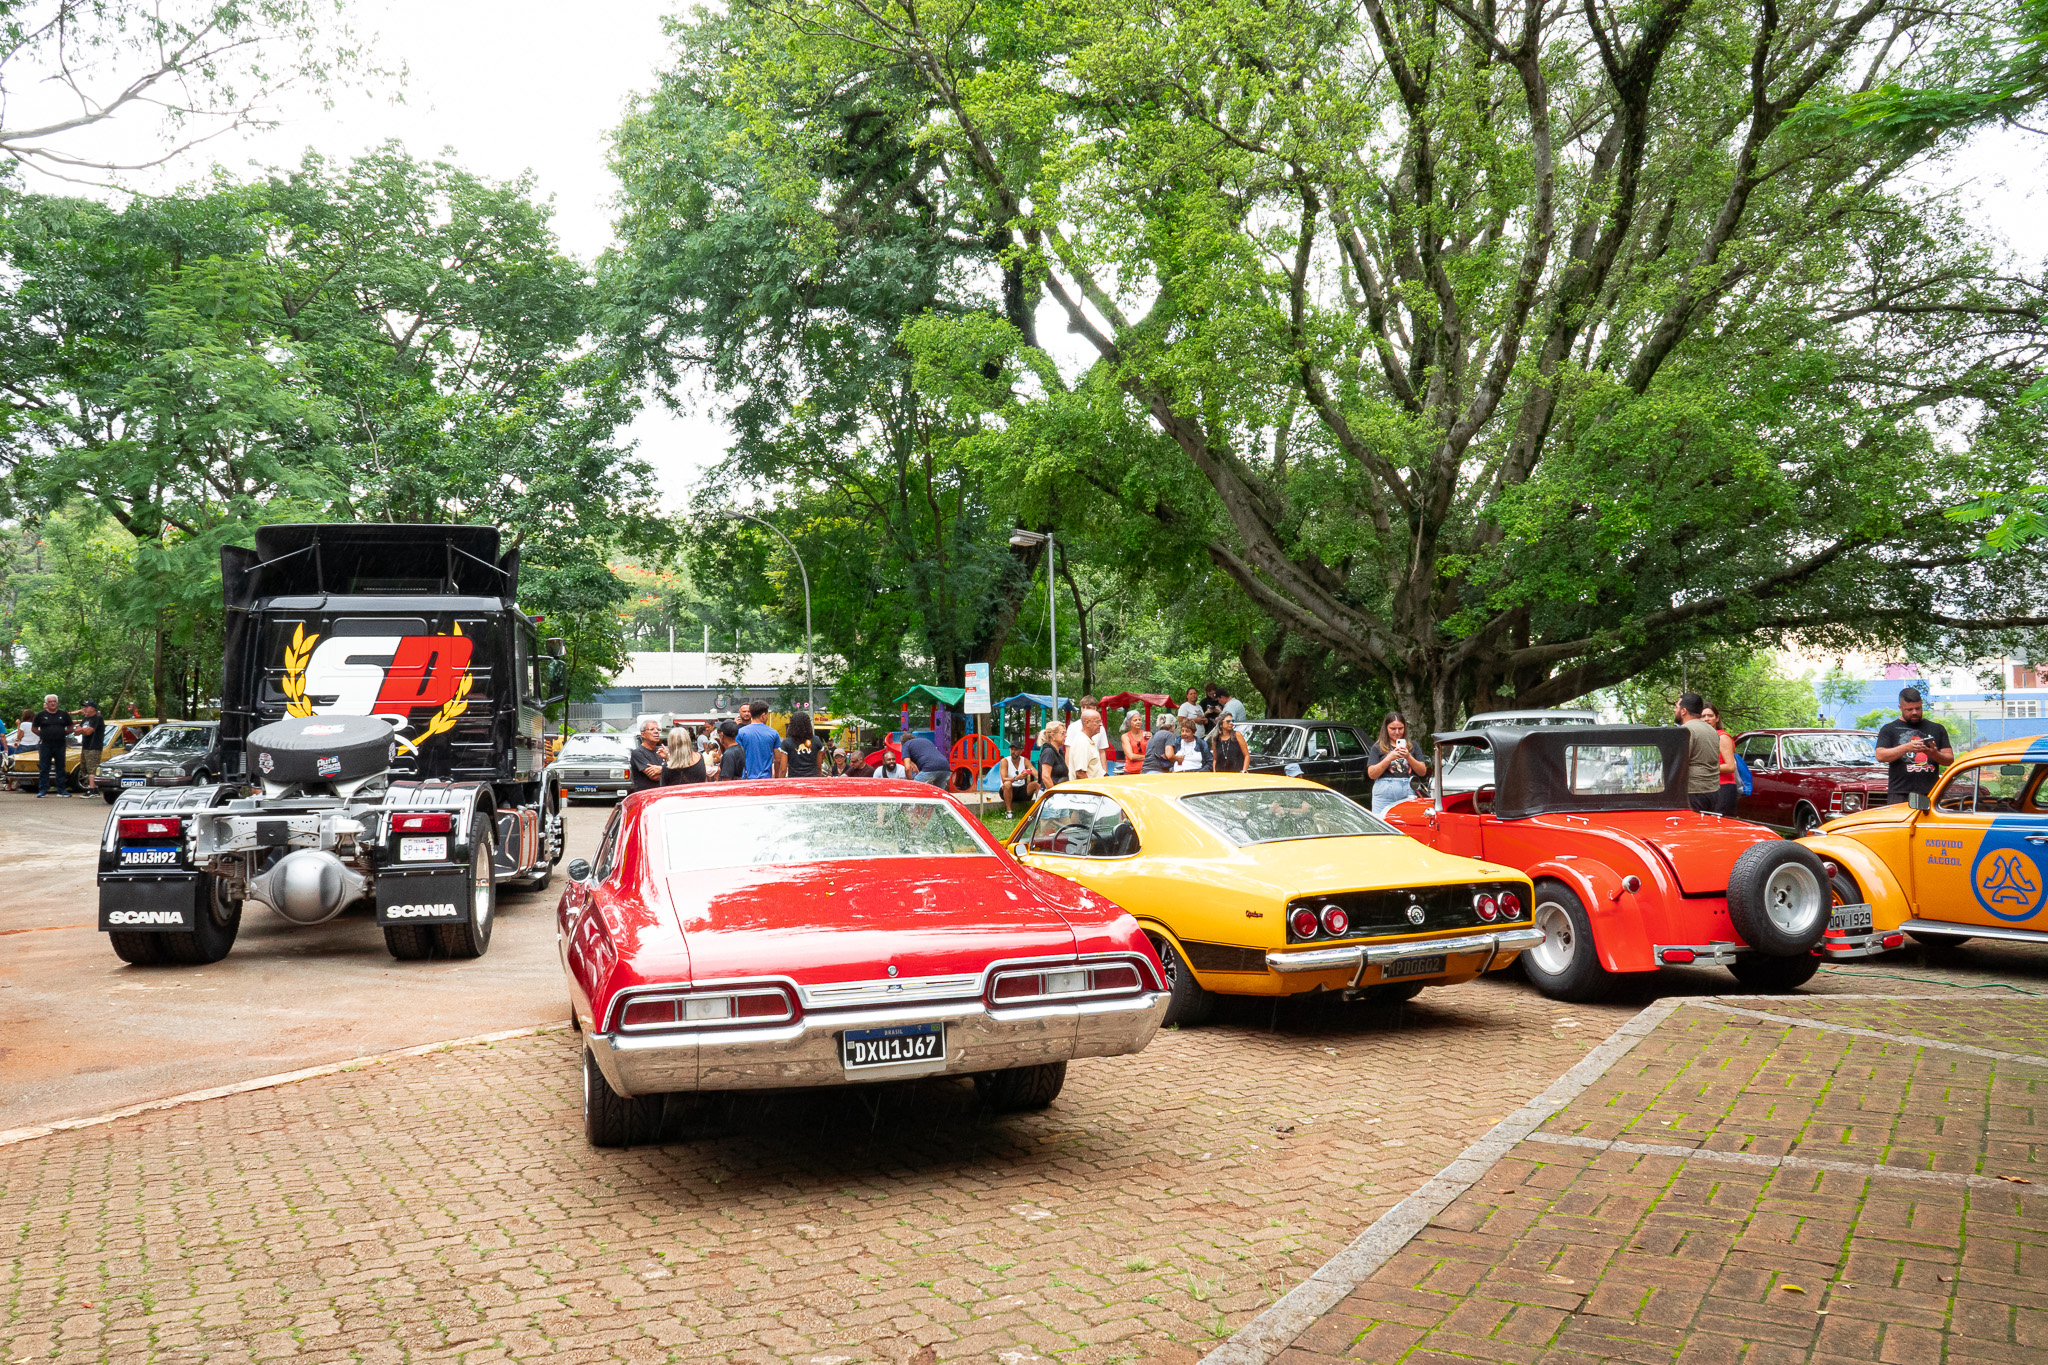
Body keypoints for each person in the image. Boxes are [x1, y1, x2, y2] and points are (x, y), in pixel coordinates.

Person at [1875, 687, 1953, 805]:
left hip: (1931, 792)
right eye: (1909, 709)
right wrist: (1906, 747)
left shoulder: (1937, 728)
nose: (1914, 712)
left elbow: (1949, 760)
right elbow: (1880, 756)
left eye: (1918, 708)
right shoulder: (1889, 729)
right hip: (1900, 792)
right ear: (1900, 708)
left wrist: (1934, 753)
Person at [1365, 712, 1431, 815]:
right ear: (1386, 728)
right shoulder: (1377, 747)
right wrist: (1389, 758)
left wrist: (1408, 757)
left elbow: (1422, 772)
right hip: (1384, 792)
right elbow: (1372, 774)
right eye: (1393, 729)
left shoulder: (1413, 746)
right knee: (1382, 824)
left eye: (1400, 728)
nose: (1397, 732)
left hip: (1408, 790)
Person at [1674, 692, 1724, 813]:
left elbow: (1679, 762)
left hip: (1693, 792)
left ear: (1683, 711)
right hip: (1713, 791)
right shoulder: (1712, 730)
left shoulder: (1686, 730)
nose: (1674, 710)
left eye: (1676, 707)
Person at [1700, 703, 1740, 816]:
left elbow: (1730, 766)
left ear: (1717, 718)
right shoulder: (1704, 737)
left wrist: (1704, 769)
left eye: (1710, 716)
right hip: (1708, 788)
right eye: (1703, 716)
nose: (1706, 719)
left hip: (1723, 788)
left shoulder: (1722, 737)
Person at [31, 695, 71, 798]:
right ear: (46, 703)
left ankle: (61, 790)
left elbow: (70, 727)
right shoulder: (40, 715)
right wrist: (43, 735)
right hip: (45, 745)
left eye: (54, 701)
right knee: (44, 767)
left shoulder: (64, 715)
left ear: (57, 703)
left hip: (60, 744)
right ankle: (43, 790)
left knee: (60, 767)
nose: (52, 703)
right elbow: (34, 728)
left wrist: (62, 734)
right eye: (50, 702)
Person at [736, 700, 784, 779]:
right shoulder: (773, 733)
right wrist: (776, 777)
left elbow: (737, 756)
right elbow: (778, 759)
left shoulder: (741, 732)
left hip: (746, 778)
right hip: (766, 778)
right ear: (763, 715)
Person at [1066, 708, 1108, 781]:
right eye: (1098, 722)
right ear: (1087, 723)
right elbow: (1080, 773)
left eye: (1100, 721)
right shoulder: (1082, 743)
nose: (1101, 724)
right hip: (1088, 790)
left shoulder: (1088, 740)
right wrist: (1092, 788)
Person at [997, 745, 1039, 815]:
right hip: (1007, 790)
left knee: (1038, 783)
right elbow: (1004, 779)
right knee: (1007, 783)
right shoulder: (1005, 761)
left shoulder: (1025, 760)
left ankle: (1038, 810)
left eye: (1016, 750)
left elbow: (1035, 773)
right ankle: (1009, 812)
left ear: (1021, 751)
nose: (1013, 752)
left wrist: (1044, 780)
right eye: (1012, 749)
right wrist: (1016, 778)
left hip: (1021, 789)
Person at [629, 719, 667, 794]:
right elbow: (654, 776)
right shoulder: (638, 753)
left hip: (662, 794)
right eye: (651, 729)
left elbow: (677, 768)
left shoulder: (662, 751)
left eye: (658, 729)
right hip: (645, 795)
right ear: (643, 734)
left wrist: (661, 768)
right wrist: (669, 772)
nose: (656, 731)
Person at [781, 712, 821, 778]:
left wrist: (780, 783)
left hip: (794, 779)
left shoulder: (786, 742)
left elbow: (783, 769)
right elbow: (819, 767)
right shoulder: (816, 740)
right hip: (812, 779)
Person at [1038, 722, 1070, 788]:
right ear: (1053, 735)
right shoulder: (1049, 752)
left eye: (1065, 733)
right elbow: (1045, 777)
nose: (1066, 735)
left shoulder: (1059, 752)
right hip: (1050, 794)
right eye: (1062, 733)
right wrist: (1053, 794)